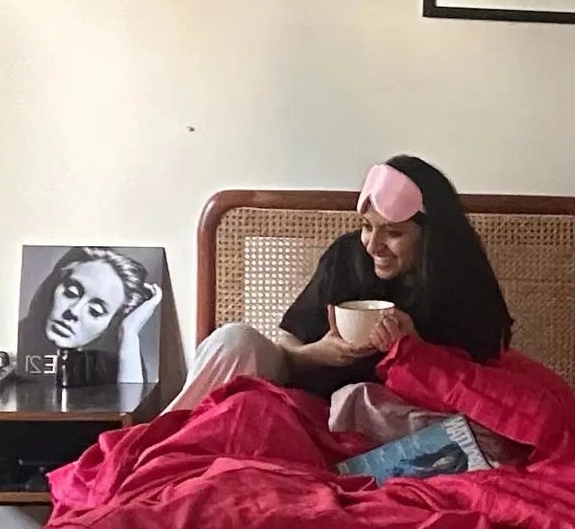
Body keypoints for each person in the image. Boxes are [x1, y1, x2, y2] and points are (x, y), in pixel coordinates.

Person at [167, 156, 512, 411]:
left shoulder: (461, 279)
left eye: (393, 233)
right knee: (234, 339)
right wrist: (316, 354)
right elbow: (288, 342)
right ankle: (164, 442)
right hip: (307, 396)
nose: (373, 246)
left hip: (392, 411)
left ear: (431, 239)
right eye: (366, 227)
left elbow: (481, 379)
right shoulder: (347, 255)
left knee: (361, 401)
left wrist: (416, 350)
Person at [18, 246, 162, 380]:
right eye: (70, 293)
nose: (74, 311)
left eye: (95, 311)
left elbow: (132, 399)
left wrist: (129, 333)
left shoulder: (113, 367)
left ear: (112, 323)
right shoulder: (15, 340)